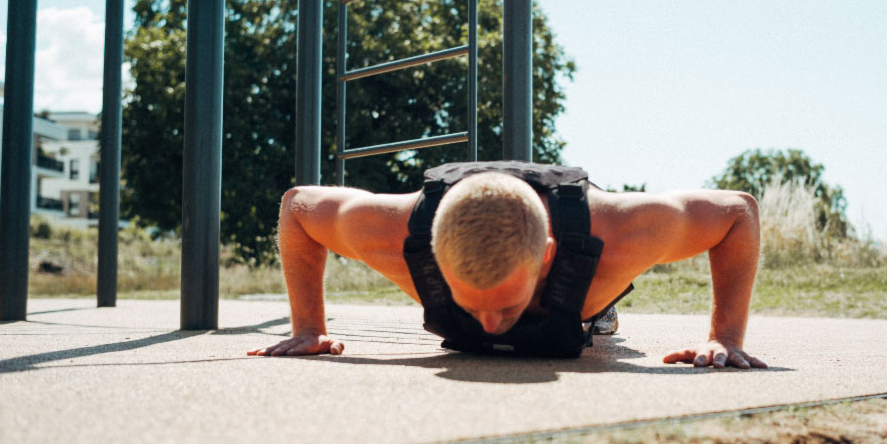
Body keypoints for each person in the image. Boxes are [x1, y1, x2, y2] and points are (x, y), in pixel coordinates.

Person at [248, 161, 767, 369]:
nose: (490, 325)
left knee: (592, 310)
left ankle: (600, 316)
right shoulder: (394, 237)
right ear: (434, 259)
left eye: (507, 303)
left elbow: (737, 214)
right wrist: (309, 327)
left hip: (580, 263)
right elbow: (298, 207)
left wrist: (725, 336)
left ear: (545, 258)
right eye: (473, 306)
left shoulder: (623, 234)